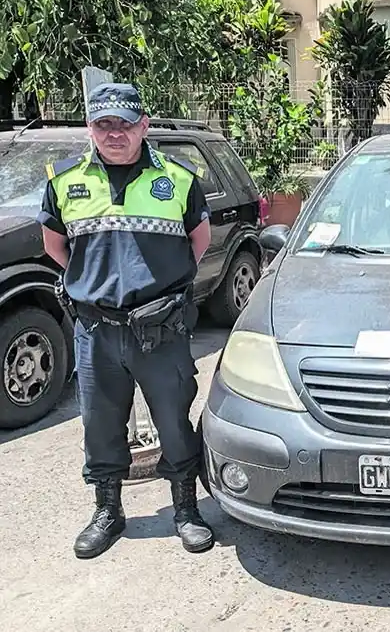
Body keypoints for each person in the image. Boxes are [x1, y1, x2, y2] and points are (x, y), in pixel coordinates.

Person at [38, 82, 215, 559]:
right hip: (96, 330)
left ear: (144, 126)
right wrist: (94, 284)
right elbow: (56, 246)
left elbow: (198, 241)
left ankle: (185, 509)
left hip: (161, 328)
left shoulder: (178, 179)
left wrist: (163, 286)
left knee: (174, 421)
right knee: (99, 423)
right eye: (103, 124)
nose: (114, 133)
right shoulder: (64, 182)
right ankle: (108, 511)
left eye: (124, 123)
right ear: (89, 128)